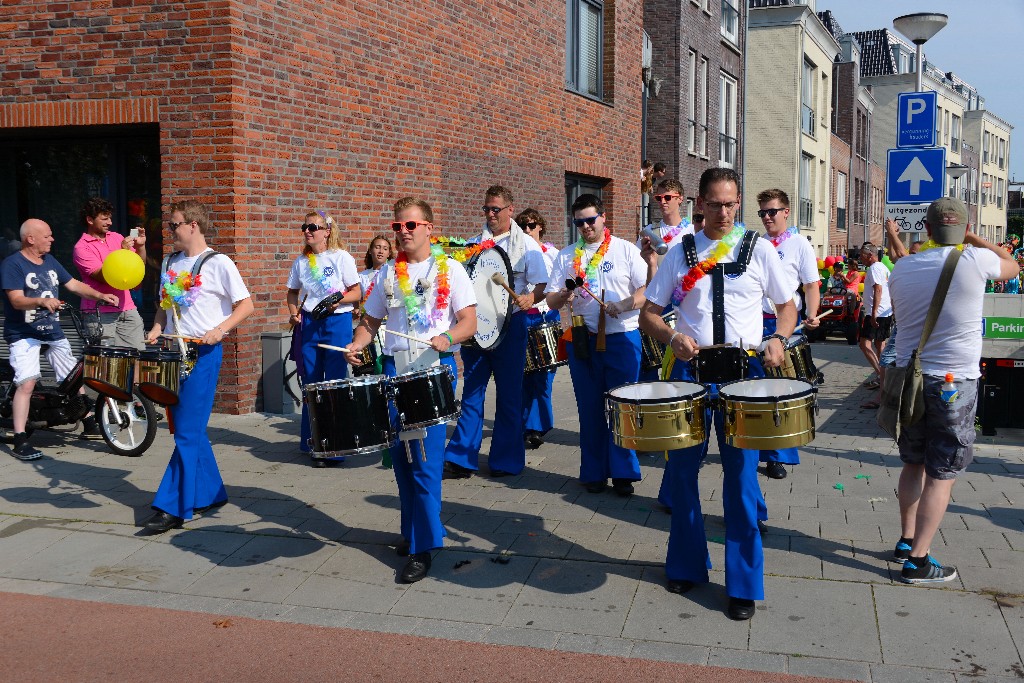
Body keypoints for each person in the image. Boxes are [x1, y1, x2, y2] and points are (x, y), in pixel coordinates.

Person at [639, 167, 796, 621]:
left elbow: (786, 307)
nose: (724, 212)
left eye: (731, 204)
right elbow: (651, 312)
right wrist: (671, 338)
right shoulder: (681, 252)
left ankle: (743, 584)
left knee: (742, 481)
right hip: (691, 371)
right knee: (682, 476)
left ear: (737, 203)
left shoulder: (760, 249)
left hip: (742, 375)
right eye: (715, 204)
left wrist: (779, 339)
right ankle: (687, 566)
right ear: (700, 205)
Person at [345, 196, 477, 583]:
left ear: (428, 228)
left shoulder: (450, 270)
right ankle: (412, 530)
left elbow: (469, 321)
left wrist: (447, 335)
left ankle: (424, 546)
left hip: (433, 369)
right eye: (398, 226)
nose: (403, 232)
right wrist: (357, 345)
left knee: (425, 460)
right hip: (393, 370)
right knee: (402, 459)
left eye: (411, 226)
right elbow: (370, 321)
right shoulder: (387, 274)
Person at [888, 197, 1018, 583]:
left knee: (913, 463)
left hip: (910, 380)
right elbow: (1013, 266)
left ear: (926, 229)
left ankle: (906, 540)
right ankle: (919, 560)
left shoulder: (902, 268)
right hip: (952, 384)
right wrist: (973, 237)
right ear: (962, 229)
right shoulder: (974, 260)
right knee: (942, 472)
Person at [141, 200, 254, 533]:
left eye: (174, 224)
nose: (170, 230)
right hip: (174, 352)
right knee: (185, 429)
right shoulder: (171, 262)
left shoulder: (218, 263)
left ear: (193, 225)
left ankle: (172, 506)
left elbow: (246, 305)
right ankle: (211, 492)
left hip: (203, 354)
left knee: (188, 431)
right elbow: (165, 304)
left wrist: (221, 328)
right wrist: (157, 327)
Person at [545, 193, 647, 496]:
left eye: (591, 220)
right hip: (582, 339)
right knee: (589, 408)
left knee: (623, 406)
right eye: (579, 222)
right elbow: (551, 299)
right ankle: (593, 471)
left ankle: (624, 472)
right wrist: (565, 296)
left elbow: (646, 290)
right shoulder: (566, 256)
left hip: (621, 337)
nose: (586, 226)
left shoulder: (625, 250)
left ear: (603, 217)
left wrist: (626, 303)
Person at [443, 186, 547, 479]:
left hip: (511, 326)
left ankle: (505, 460)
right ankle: (462, 457)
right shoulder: (476, 244)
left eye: (495, 209)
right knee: (472, 391)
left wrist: (530, 298)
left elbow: (541, 286)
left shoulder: (526, 245)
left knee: (510, 396)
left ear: (510, 210)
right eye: (486, 209)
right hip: (477, 326)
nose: (490, 214)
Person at [2, 219, 120, 460]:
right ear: (30, 239)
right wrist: (40, 301)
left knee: (74, 377)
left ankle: (87, 422)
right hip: (23, 334)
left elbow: (74, 284)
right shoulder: (12, 264)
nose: (52, 239)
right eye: (47, 235)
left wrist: (100, 295)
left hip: (52, 331)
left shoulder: (50, 262)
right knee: (26, 383)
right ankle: (20, 439)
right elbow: (15, 300)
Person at [285, 210, 361, 466]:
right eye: (304, 227)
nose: (307, 231)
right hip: (310, 323)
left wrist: (336, 299)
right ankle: (314, 441)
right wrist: (294, 314)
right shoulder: (301, 261)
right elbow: (292, 292)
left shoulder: (342, 258)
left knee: (336, 380)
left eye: (313, 227)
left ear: (327, 231)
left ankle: (336, 445)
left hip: (337, 322)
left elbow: (356, 292)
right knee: (311, 382)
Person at [755, 189, 821, 480]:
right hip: (754, 324)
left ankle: (777, 457)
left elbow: (810, 285)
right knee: (756, 392)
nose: (767, 217)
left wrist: (811, 314)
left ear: (786, 212)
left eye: (772, 211)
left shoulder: (799, 245)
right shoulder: (753, 244)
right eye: (762, 213)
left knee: (780, 393)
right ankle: (757, 447)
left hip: (784, 325)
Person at [72, 197, 148, 350]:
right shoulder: (81, 248)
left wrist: (140, 247)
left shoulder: (117, 238)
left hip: (127, 308)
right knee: (105, 367)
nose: (110, 222)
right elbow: (105, 277)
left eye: (110, 218)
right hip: (99, 313)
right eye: (104, 218)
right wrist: (123, 252)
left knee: (139, 358)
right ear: (90, 220)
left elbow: (138, 267)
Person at [637, 179, 693, 382]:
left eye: (668, 197)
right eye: (658, 198)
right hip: (658, 305)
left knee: (682, 366)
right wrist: (650, 262)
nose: (662, 202)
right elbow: (645, 284)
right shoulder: (650, 234)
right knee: (652, 369)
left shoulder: (693, 233)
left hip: (685, 306)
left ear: (680, 200)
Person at [516, 208, 558, 450]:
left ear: (540, 226)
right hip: (522, 317)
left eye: (531, 225)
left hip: (544, 317)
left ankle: (537, 426)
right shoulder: (517, 254)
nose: (527, 230)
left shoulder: (552, 253)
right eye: (522, 226)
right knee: (523, 374)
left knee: (543, 376)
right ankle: (524, 424)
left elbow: (561, 282)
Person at [857, 242, 893, 409]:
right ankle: (884, 377)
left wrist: (874, 312)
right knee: (880, 344)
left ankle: (881, 376)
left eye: (862, 256)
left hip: (878, 313)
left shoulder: (875, 268)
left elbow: (878, 289)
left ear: (869, 255)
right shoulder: (882, 267)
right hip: (885, 312)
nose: (860, 259)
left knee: (864, 344)